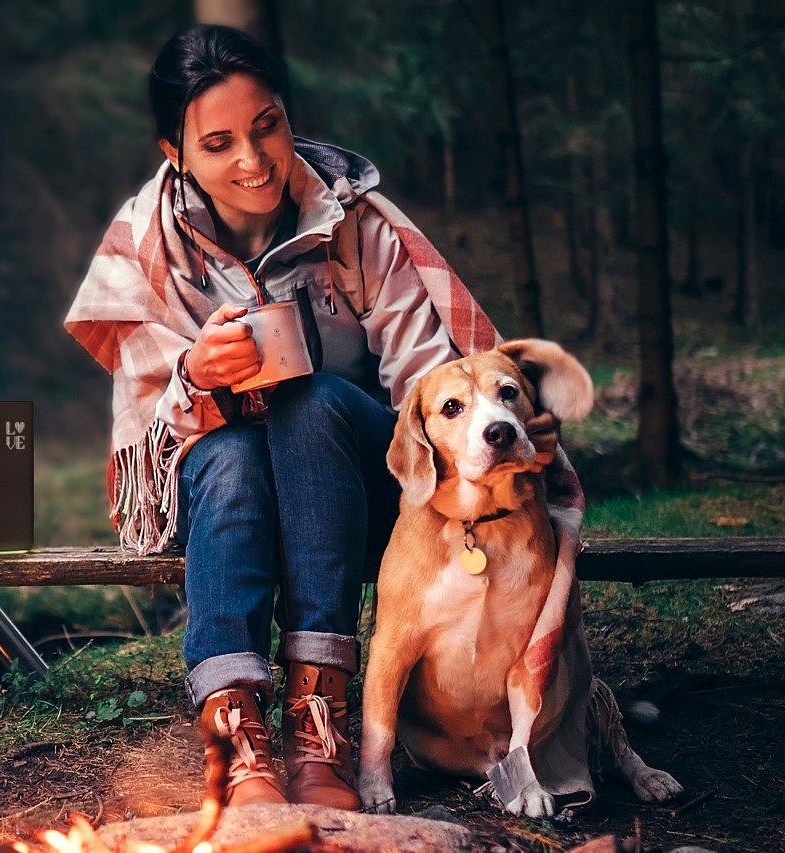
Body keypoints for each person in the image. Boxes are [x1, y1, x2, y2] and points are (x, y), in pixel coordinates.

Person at [64, 24, 581, 810]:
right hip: (227, 501)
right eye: (220, 142)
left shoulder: (354, 223)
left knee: (310, 401)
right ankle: (236, 731)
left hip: (369, 491)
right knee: (232, 452)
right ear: (175, 153)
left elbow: (429, 379)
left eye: (267, 125)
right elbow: (152, 436)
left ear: (286, 113)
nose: (254, 159)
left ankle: (321, 717)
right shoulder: (147, 247)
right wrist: (196, 374)